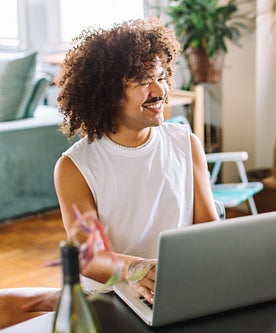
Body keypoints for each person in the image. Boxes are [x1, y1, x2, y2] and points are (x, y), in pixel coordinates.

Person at [0, 18, 219, 329]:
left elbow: (209, 229)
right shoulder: (75, 167)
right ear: (108, 93)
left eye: (161, 77)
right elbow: (88, 257)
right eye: (144, 81)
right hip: (111, 300)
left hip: (176, 293)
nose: (160, 91)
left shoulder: (186, 143)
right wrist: (137, 270)